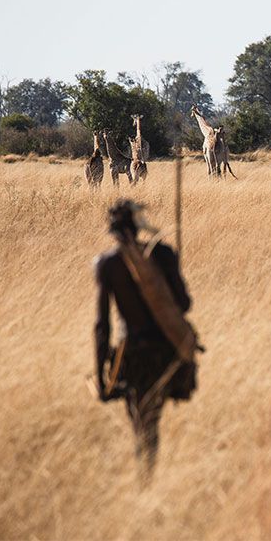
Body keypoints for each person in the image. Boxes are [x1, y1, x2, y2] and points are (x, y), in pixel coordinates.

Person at [93, 199, 196, 481]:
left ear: (113, 231)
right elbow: (184, 304)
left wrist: (102, 377)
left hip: (132, 356)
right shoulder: (162, 254)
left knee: (142, 423)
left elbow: (102, 326)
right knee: (150, 423)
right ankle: (148, 476)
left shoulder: (107, 264)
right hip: (167, 352)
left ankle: (145, 477)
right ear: (139, 225)